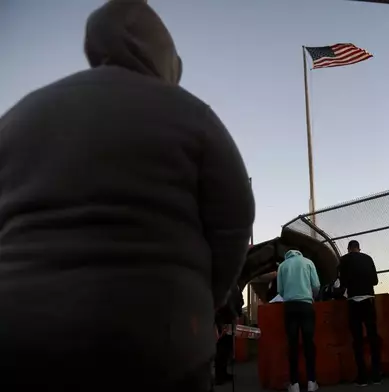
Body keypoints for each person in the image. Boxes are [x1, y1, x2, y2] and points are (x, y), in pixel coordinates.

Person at [0, 1, 254, 391]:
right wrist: (204, 300)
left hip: (19, 332)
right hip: (160, 337)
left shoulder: (19, 114)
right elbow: (235, 221)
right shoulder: (190, 112)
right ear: (164, 56)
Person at [338, 240, 381, 386]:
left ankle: (362, 377)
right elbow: (375, 281)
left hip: (354, 301)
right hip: (369, 300)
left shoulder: (343, 260)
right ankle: (377, 376)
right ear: (359, 248)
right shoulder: (368, 258)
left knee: (357, 340)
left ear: (349, 249)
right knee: (373, 337)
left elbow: (342, 282)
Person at [277, 249, 321, 392]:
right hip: (306, 306)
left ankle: (294, 384)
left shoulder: (282, 266)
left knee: (293, 345)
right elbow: (316, 285)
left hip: (290, 307)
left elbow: (280, 290)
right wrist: (311, 295)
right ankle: (311, 382)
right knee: (309, 343)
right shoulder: (308, 263)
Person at [214, 286, 244, 385]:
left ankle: (223, 372)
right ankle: (219, 375)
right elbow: (228, 302)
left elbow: (238, 300)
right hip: (224, 317)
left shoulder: (234, 286)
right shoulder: (228, 286)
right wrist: (234, 314)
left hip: (228, 317)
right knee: (223, 346)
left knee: (227, 346)